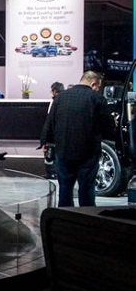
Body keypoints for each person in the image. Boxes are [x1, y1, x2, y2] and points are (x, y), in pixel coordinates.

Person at [39, 71, 114, 207]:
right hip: (88, 152)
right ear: (93, 83)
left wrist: (45, 142)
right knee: (87, 189)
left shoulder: (60, 97)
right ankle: (86, 217)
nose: (98, 90)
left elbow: (50, 122)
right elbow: (108, 126)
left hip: (63, 150)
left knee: (65, 188)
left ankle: (65, 216)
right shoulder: (97, 98)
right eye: (98, 87)